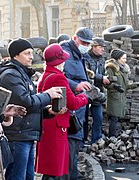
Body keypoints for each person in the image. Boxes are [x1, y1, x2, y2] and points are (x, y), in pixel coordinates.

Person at [0, 38, 63, 180]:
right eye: (27, 53)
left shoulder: (23, 74)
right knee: (17, 176)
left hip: (26, 133)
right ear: (16, 55)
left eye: (31, 53)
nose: (31, 56)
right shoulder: (11, 75)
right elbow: (26, 102)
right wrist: (47, 95)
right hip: (17, 135)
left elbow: (27, 107)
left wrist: (47, 111)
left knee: (28, 176)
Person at [35, 43, 89, 179]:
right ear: (59, 62)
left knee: (49, 167)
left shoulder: (45, 75)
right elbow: (72, 103)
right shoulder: (58, 77)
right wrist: (85, 97)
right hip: (57, 126)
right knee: (57, 168)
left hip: (47, 124)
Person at [60, 27, 94, 179]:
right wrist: (76, 86)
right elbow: (56, 75)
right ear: (75, 38)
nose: (86, 46)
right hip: (70, 107)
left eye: (88, 44)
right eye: (83, 42)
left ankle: (73, 174)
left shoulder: (78, 54)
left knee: (74, 146)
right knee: (69, 146)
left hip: (78, 106)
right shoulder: (64, 53)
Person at [105, 49, 138, 137]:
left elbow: (126, 85)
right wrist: (114, 86)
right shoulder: (111, 68)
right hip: (114, 97)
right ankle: (112, 137)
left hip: (121, 97)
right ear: (118, 59)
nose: (125, 60)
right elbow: (106, 84)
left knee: (117, 118)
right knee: (114, 118)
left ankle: (115, 136)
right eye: (123, 58)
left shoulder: (124, 69)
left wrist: (137, 84)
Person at [86, 37, 110, 144]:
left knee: (98, 118)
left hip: (98, 93)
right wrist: (101, 78)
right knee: (83, 119)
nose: (102, 49)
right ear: (93, 47)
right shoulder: (85, 58)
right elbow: (86, 74)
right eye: (100, 47)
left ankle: (96, 141)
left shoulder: (101, 59)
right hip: (86, 91)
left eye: (103, 48)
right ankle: (82, 142)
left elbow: (104, 73)